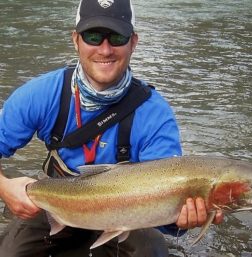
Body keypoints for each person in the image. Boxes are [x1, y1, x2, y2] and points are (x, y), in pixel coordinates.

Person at [0, 0, 223, 256]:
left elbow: (165, 196)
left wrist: (183, 216)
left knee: (153, 252)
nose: (104, 50)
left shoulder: (155, 114)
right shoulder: (40, 94)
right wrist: (4, 187)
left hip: (127, 210)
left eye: (116, 37)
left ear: (133, 42)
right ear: (76, 40)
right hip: (58, 204)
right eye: (93, 37)